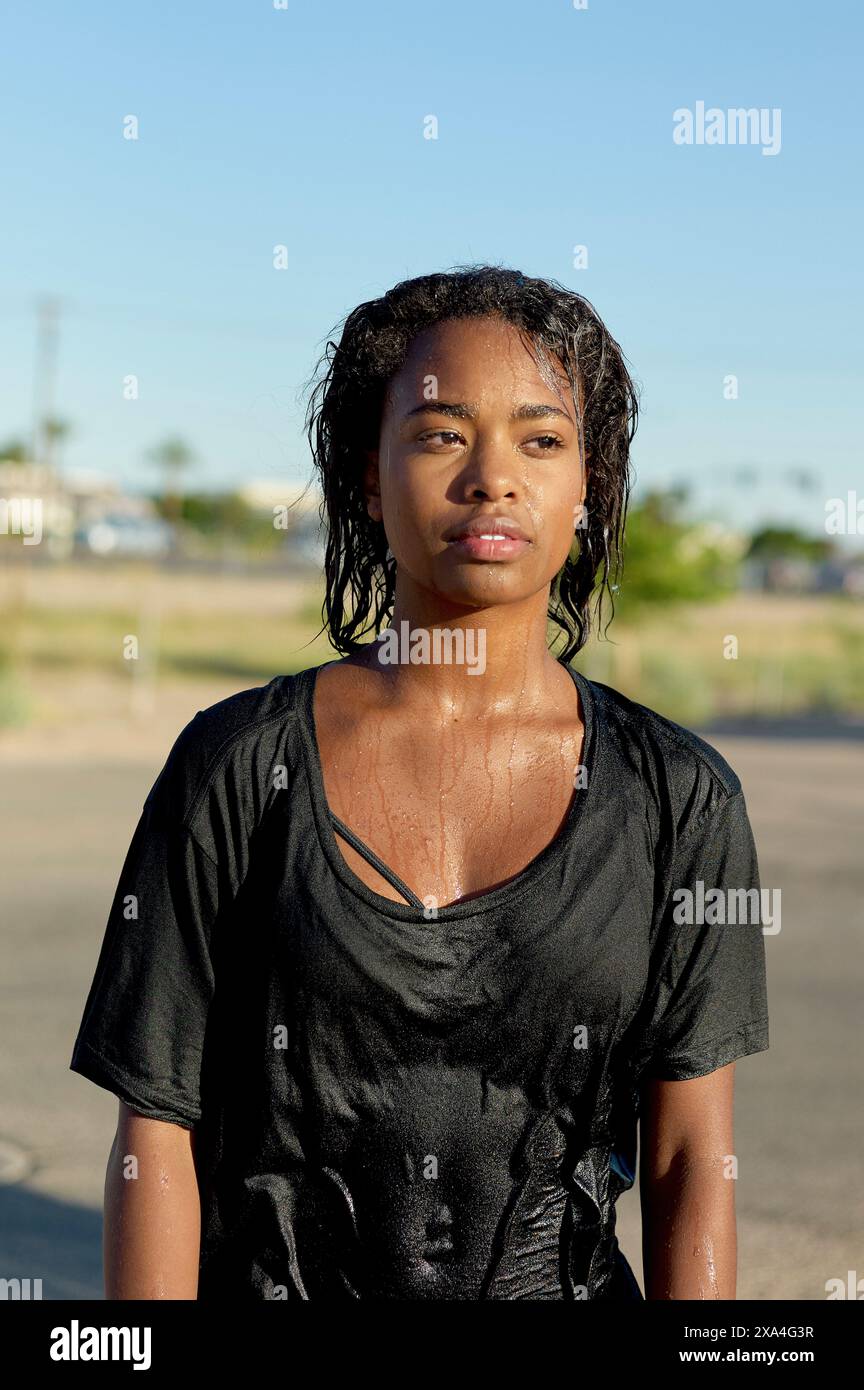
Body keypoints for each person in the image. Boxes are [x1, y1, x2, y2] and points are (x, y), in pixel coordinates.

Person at [69, 265, 769, 1300]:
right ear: (365, 473)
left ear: (590, 488)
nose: (494, 478)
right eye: (442, 434)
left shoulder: (679, 798)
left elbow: (688, 1161)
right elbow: (155, 1132)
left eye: (541, 439)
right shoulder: (233, 766)